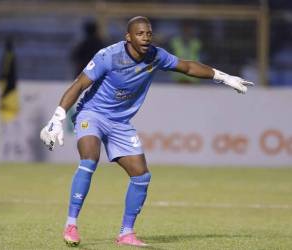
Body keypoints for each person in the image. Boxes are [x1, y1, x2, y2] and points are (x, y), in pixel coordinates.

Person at [40, 16, 253, 247]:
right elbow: (80, 84)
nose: (145, 38)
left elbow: (188, 66)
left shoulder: (156, 55)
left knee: (141, 176)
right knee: (90, 159)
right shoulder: (108, 56)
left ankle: (126, 233)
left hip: (120, 123)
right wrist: (58, 116)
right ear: (128, 37)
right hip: (92, 115)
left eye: (148, 34)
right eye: (140, 34)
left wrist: (223, 77)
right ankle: (71, 224)